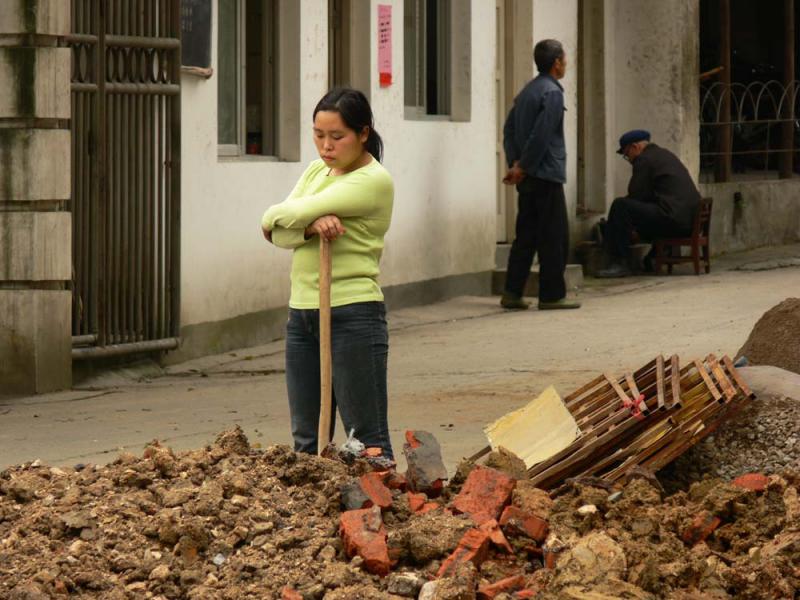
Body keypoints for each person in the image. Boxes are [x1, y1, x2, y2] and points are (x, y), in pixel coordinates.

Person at [261, 88, 394, 458]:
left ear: (363, 133)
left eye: (337, 137)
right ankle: (314, 514)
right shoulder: (317, 170)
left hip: (352, 314)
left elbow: (278, 216)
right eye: (318, 135)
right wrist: (307, 226)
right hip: (303, 314)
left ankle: (375, 512)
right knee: (306, 443)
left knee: (365, 442)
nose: (325, 146)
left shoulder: (372, 180)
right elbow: (273, 229)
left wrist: (293, 219)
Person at [500, 39, 580, 311]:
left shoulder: (527, 92)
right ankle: (551, 295)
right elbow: (542, 135)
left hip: (527, 175)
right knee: (554, 237)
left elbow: (509, 130)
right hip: (545, 173)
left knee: (526, 236)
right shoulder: (552, 93)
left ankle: (512, 292)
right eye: (564, 59)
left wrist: (515, 163)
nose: (566, 63)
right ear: (557, 62)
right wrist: (523, 166)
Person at [598, 130, 701, 278]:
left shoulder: (644, 160)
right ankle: (653, 257)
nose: (629, 159)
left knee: (620, 206)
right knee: (637, 210)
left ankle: (620, 263)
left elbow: (637, 194)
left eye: (627, 155)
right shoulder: (664, 154)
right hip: (689, 222)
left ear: (635, 147)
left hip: (673, 220)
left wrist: (616, 225)